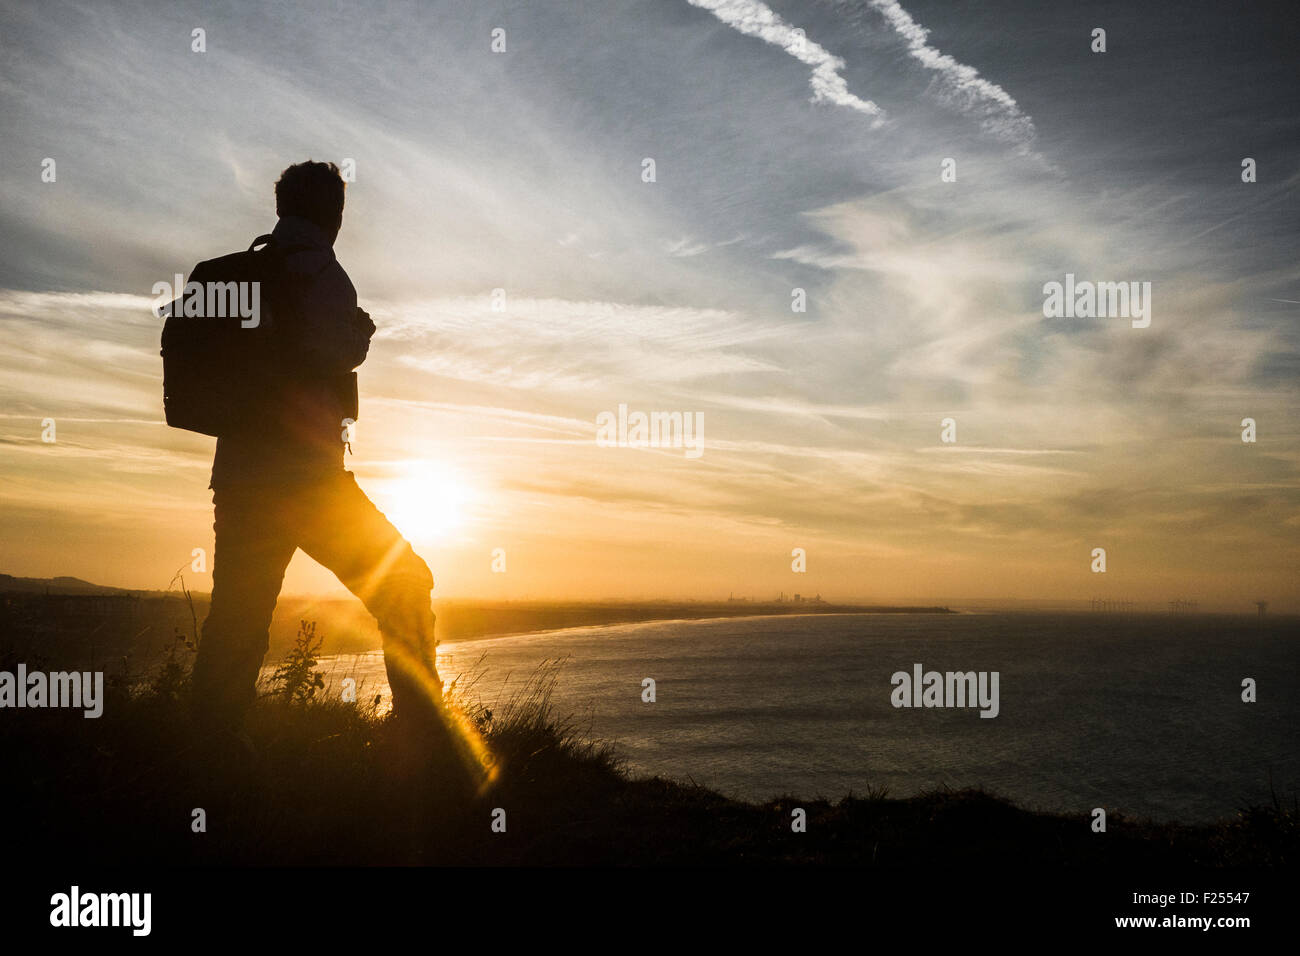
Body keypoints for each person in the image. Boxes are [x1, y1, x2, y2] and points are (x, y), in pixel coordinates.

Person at [190, 160, 445, 750]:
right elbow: (332, 352)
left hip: (240, 478)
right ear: (332, 212)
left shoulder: (241, 274)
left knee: (237, 619)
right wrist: (362, 331)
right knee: (405, 582)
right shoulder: (323, 273)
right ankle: (421, 739)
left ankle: (207, 751)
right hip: (308, 480)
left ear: (281, 207)